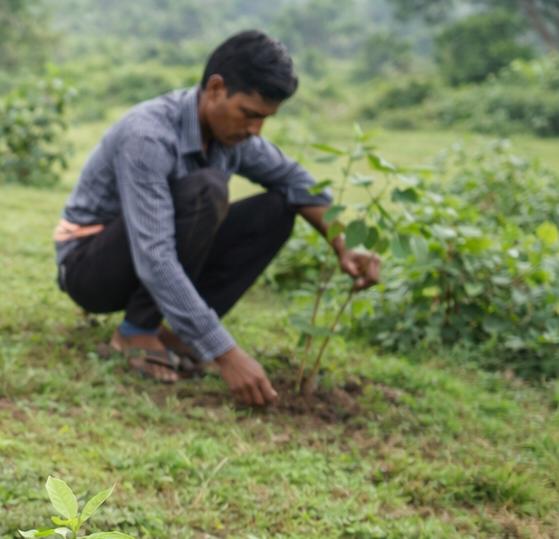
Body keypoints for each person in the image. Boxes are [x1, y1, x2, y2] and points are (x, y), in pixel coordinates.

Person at [54, 30, 383, 406]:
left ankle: (176, 336)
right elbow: (154, 254)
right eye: (249, 114)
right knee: (206, 191)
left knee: (277, 209)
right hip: (89, 266)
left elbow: (295, 180)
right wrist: (224, 352)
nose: (255, 131)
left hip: (146, 254)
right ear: (215, 88)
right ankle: (135, 331)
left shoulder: (232, 136)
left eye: (265, 119)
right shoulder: (148, 135)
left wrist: (343, 243)